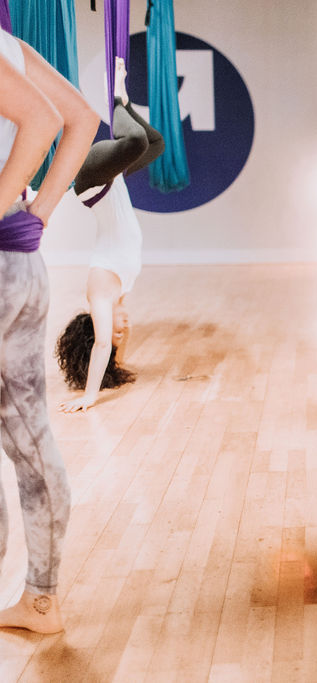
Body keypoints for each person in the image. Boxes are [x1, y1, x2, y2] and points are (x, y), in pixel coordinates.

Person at [0, 29, 98, 634]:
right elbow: (80, 119)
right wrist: (33, 214)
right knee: (27, 436)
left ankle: (38, 598)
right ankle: (40, 599)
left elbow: (41, 119)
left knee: (28, 443)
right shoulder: (8, 41)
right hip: (18, 258)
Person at [56, 58, 164, 413]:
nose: (124, 328)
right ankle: (124, 98)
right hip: (111, 181)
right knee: (155, 143)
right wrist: (119, 360)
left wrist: (90, 395)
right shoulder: (123, 291)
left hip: (92, 184)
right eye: (123, 336)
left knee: (133, 141)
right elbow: (111, 346)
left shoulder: (99, 294)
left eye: (116, 332)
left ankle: (115, 97)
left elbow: (101, 345)